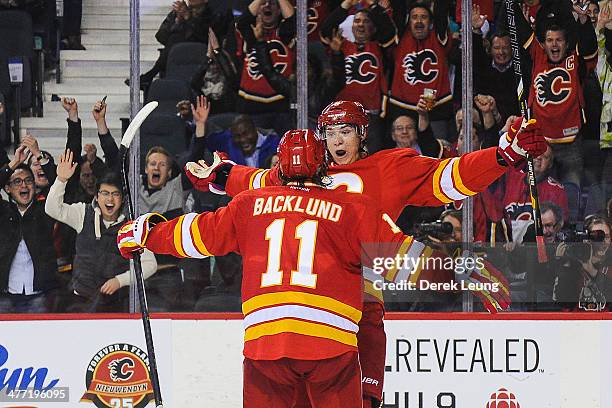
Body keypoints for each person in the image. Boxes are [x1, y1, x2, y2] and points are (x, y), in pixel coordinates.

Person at [184, 100, 545, 406]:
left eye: (346, 131)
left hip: (362, 308)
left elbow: (451, 176)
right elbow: (254, 180)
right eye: (330, 132)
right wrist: (219, 175)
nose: (337, 141)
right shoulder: (299, 177)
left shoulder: (388, 168)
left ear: (362, 134)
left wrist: (503, 154)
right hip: (309, 312)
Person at [118, 129, 414, 407]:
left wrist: (146, 234)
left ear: (279, 169)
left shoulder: (250, 204)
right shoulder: (354, 208)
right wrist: (453, 265)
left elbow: (197, 235)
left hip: (265, 346)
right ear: (324, 166)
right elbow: (408, 264)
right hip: (331, 346)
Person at [45, 150, 157, 312]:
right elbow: (52, 209)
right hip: (81, 301)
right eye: (105, 193)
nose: (110, 199)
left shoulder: (132, 226)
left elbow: (150, 264)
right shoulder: (82, 213)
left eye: (115, 194)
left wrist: (120, 280)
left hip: (117, 303)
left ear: (122, 198)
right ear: (97, 196)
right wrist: (61, 180)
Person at [0, 146, 58, 313]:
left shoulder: (46, 209)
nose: (24, 185)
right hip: (5, 295)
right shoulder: (3, 212)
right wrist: (13, 164)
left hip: (39, 295)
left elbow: (60, 188)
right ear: (7, 188)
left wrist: (39, 156)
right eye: (17, 181)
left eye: (28, 180)